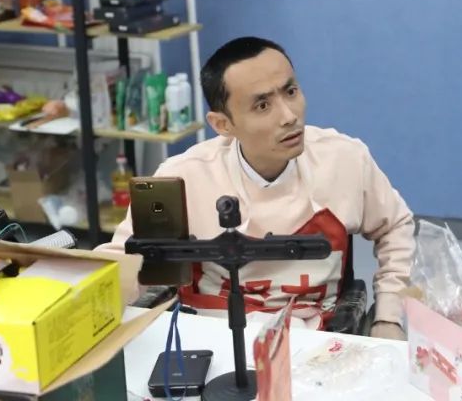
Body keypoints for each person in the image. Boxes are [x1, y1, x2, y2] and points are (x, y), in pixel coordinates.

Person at [98, 36, 415, 340]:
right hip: (210, 338)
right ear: (223, 124)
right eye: (263, 105)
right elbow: (127, 260)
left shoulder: (344, 160)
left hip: (316, 340)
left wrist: (388, 316)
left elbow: (396, 227)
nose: (289, 116)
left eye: (291, 91)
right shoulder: (182, 177)